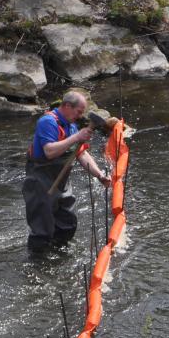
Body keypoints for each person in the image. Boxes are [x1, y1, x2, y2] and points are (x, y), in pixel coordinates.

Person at [22, 90, 111, 251]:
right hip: (40, 182)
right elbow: (49, 151)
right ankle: (39, 261)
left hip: (61, 183)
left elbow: (81, 154)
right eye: (79, 112)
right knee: (42, 229)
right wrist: (76, 137)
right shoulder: (48, 122)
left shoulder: (71, 126)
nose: (80, 116)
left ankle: (59, 254)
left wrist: (99, 175)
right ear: (68, 106)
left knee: (67, 223)